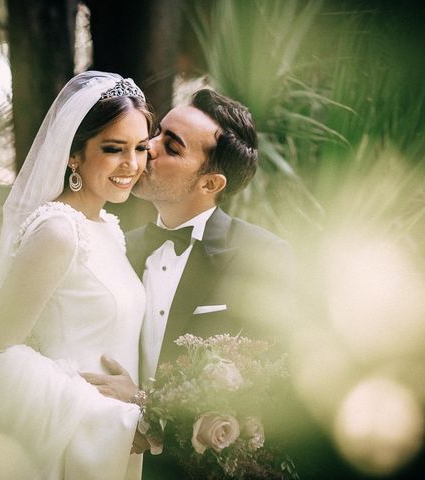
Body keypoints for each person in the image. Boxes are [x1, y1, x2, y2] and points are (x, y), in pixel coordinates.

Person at [82, 88, 295, 479]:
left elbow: (275, 397)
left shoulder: (262, 259)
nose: (148, 146)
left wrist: (147, 410)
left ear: (211, 184)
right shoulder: (118, 246)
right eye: (158, 131)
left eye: (172, 146)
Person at [0, 71, 153, 479]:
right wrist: (104, 417)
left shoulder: (107, 227)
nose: (132, 164)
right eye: (114, 148)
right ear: (74, 154)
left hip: (114, 443)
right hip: (74, 444)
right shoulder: (57, 231)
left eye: (140, 148)